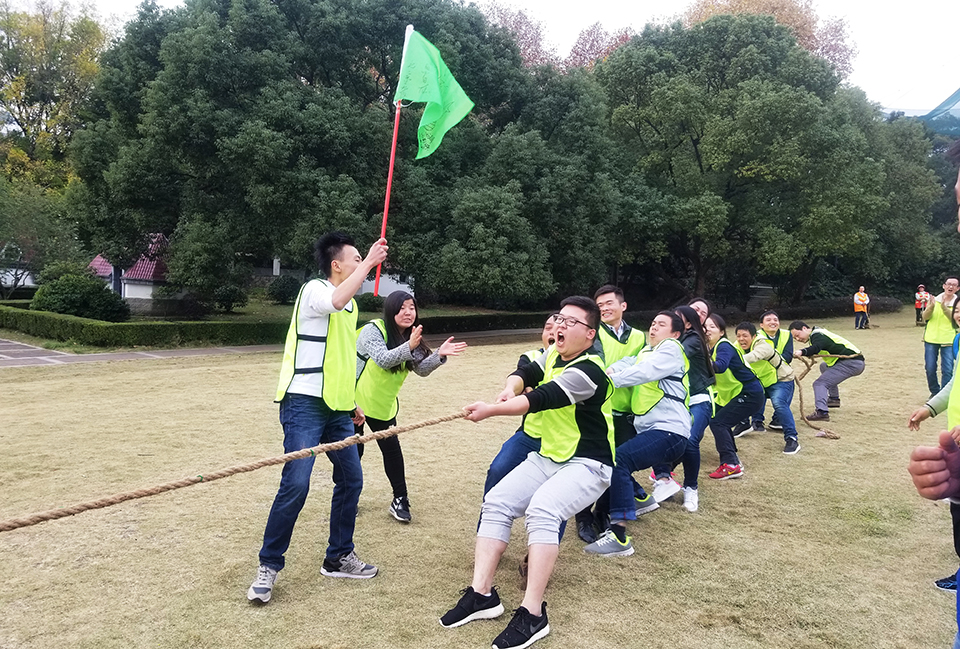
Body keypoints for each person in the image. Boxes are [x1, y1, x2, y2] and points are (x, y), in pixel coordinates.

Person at [439, 297, 614, 649]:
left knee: (543, 510)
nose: (560, 326)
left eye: (571, 322)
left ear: (590, 334)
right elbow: (526, 374)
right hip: (551, 455)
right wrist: (509, 387)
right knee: (496, 501)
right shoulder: (552, 355)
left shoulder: (589, 371)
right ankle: (482, 595)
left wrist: (491, 410)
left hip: (589, 463)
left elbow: (542, 398)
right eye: (558, 319)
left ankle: (533, 614)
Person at [247, 232, 388, 604]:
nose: (362, 262)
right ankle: (269, 566)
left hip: (339, 408)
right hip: (304, 403)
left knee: (351, 479)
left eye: (364, 258)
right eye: (356, 258)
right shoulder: (315, 290)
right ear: (336, 264)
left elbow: (342, 358)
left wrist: (352, 401)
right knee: (297, 483)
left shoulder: (351, 307)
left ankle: (338, 556)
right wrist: (371, 263)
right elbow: (338, 298)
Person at [582, 311, 691, 556]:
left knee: (620, 460)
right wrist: (601, 373)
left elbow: (644, 372)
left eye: (661, 325)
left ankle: (619, 537)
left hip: (670, 430)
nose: (653, 328)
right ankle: (639, 499)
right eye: (652, 323)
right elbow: (626, 364)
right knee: (611, 459)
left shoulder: (671, 349)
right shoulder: (646, 352)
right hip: (655, 430)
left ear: (675, 333)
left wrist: (607, 383)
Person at [354, 290, 467, 523]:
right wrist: (410, 346)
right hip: (354, 401)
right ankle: (349, 499)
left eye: (412, 308)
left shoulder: (411, 336)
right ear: (391, 309)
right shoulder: (373, 330)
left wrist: (439, 355)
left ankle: (400, 499)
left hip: (382, 404)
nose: (408, 312)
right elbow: (384, 359)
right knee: (354, 451)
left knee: (392, 451)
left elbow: (421, 369)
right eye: (403, 307)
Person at [574, 285, 654, 543]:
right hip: (598, 411)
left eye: (609, 303)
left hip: (626, 413)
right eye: (600, 306)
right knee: (588, 465)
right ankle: (583, 516)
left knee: (617, 466)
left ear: (623, 305)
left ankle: (603, 512)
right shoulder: (593, 334)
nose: (604, 308)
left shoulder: (640, 337)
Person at [908, 300, 960, 594]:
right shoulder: (959, 340)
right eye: (958, 310)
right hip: (956, 442)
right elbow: (956, 381)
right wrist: (930, 407)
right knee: (957, 507)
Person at [650, 305, 714, 512]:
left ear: (686, 323)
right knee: (656, 434)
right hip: (678, 402)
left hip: (698, 399)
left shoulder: (692, 339)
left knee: (690, 441)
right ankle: (663, 479)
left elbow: (668, 359)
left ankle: (691, 489)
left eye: (675, 319)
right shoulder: (672, 342)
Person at [703, 313, 764, 480]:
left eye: (712, 326)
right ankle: (733, 458)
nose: (707, 330)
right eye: (705, 327)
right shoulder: (709, 348)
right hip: (736, 394)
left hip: (750, 393)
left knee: (719, 423)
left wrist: (700, 361)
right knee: (717, 419)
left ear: (721, 332)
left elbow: (720, 366)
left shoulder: (723, 346)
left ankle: (731, 464)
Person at [736, 322, 799, 455]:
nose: (741, 339)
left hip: (781, 379)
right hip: (762, 382)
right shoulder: (736, 347)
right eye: (738, 336)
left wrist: (732, 360)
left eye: (745, 335)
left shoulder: (763, 344)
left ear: (754, 336)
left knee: (779, 404)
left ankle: (792, 438)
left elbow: (754, 356)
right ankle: (744, 423)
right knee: (741, 396)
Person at [789, 321, 864, 421]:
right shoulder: (817, 334)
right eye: (795, 338)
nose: (798, 339)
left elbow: (816, 347)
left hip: (852, 362)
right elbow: (817, 347)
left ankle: (822, 412)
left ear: (804, 328)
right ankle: (834, 399)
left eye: (797, 335)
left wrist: (802, 352)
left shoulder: (817, 334)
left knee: (819, 383)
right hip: (851, 361)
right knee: (824, 366)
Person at [757, 310, 794, 431]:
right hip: (761, 375)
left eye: (775, 320)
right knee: (757, 393)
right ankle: (757, 421)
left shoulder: (786, 334)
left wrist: (774, 360)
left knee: (789, 385)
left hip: (780, 375)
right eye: (768, 320)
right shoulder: (756, 336)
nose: (773, 322)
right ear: (761, 325)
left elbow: (788, 355)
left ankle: (778, 419)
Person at [923, 278, 960, 397]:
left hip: (949, 339)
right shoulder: (934, 300)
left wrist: (944, 308)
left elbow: (954, 321)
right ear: (944, 286)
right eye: (949, 284)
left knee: (948, 369)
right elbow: (925, 317)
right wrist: (931, 307)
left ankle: (944, 395)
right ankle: (934, 392)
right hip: (931, 339)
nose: (951, 287)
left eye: (954, 285)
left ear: (957, 288)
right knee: (930, 368)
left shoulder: (957, 303)